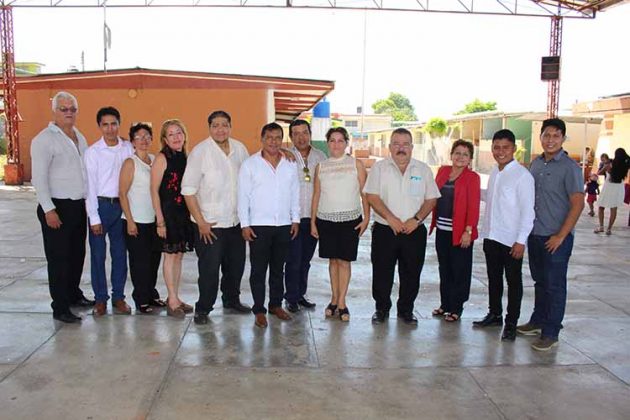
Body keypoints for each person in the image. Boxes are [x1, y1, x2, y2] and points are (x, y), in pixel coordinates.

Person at [517, 118, 584, 352]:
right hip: (535, 234)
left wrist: (561, 236)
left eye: (556, 136)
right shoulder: (536, 164)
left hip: (557, 237)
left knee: (555, 285)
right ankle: (538, 320)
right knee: (540, 281)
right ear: (541, 137)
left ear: (563, 138)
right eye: (546, 135)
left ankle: (551, 331)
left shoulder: (570, 168)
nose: (550, 140)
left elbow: (577, 204)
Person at [182, 111, 252, 325]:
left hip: (235, 222)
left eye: (224, 125)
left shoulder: (240, 149)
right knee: (209, 270)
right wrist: (201, 222)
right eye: (215, 125)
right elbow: (188, 190)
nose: (220, 129)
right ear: (209, 128)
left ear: (230, 126)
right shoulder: (200, 152)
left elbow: (250, 180)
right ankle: (203, 308)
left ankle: (231, 300)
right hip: (209, 224)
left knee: (236, 266)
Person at [364, 128, 439, 325]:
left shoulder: (423, 169)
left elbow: (431, 199)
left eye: (405, 144)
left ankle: (406, 310)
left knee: (411, 272)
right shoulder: (380, 168)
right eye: (396, 144)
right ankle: (381, 309)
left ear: (412, 147)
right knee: (382, 272)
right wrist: (391, 218)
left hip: (414, 231)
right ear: (389, 146)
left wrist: (416, 219)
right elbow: (372, 196)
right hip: (384, 230)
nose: (401, 148)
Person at [31, 91, 94, 323]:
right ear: (55, 111)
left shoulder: (79, 136)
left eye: (72, 109)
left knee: (77, 255)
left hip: (78, 206)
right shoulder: (44, 140)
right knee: (59, 259)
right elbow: (39, 178)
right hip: (57, 208)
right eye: (63, 109)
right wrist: (49, 209)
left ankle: (73, 295)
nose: (68, 113)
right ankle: (60, 307)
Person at [473, 129, 535, 341]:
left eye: (505, 148)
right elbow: (490, 199)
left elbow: (528, 211)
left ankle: (511, 323)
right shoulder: (494, 172)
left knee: (513, 282)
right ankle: (495, 314)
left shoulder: (523, 176)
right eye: (496, 147)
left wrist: (521, 240)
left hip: (511, 240)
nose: (500, 152)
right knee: (493, 279)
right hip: (491, 235)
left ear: (514, 149)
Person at [238, 122, 300, 328]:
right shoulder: (250, 165)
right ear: (262, 139)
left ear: (282, 140)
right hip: (258, 226)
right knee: (258, 270)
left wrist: (296, 219)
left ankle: (275, 304)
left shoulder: (290, 164)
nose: (273, 142)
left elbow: (295, 194)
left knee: (278, 269)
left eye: (277, 138)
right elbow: (243, 197)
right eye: (269, 138)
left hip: (283, 225)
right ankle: (259, 309)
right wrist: (244, 225)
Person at [311, 127, 370, 322]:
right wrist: (313, 222)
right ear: (327, 143)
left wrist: (366, 218)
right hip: (326, 219)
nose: (336, 144)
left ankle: (342, 302)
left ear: (346, 143)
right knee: (333, 261)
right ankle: (334, 299)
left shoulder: (356, 164)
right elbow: (317, 195)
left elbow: (365, 194)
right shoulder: (321, 166)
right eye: (332, 141)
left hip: (350, 220)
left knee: (344, 261)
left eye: (340, 141)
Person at [84, 107, 134, 316]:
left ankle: (119, 297)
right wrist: (93, 217)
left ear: (119, 124)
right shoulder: (93, 152)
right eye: (105, 124)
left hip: (121, 207)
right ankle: (100, 299)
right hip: (101, 207)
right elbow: (90, 187)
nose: (110, 128)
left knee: (120, 254)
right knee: (98, 255)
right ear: (99, 126)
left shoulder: (128, 148)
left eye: (113, 123)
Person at [429, 139, 480, 322]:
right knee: (445, 268)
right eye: (457, 153)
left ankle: (457, 307)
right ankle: (445, 304)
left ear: (470, 159)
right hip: (442, 229)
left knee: (460, 270)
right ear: (451, 155)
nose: (460, 157)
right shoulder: (443, 172)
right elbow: (433, 196)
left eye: (465, 154)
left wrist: (468, 230)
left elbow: (473, 207)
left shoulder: (472, 178)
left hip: (461, 233)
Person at [119, 123, 165, 314]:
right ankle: (141, 299)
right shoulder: (130, 163)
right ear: (132, 142)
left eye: (147, 136)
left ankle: (151, 294)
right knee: (140, 263)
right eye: (139, 137)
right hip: (136, 221)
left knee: (154, 260)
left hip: (153, 221)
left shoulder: (155, 160)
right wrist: (129, 220)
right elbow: (122, 193)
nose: (144, 140)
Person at [150, 119, 195, 318]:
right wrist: (160, 220)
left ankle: (174, 297)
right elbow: (153, 190)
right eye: (171, 134)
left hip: (183, 213)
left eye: (179, 132)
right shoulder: (162, 158)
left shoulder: (185, 156)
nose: (176, 137)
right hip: (168, 213)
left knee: (178, 256)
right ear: (164, 139)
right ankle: (172, 299)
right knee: (170, 256)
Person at [284, 119, 327, 313]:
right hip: (292, 218)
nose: (301, 137)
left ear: (310, 134)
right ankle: (291, 297)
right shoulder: (285, 157)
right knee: (293, 259)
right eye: (296, 133)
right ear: (291, 137)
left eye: (304, 133)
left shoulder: (321, 156)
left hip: (314, 218)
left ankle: (301, 294)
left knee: (305, 260)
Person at [594, 148, 630, 235]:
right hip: (618, 188)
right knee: (613, 208)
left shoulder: (609, 165)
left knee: (601, 207)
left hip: (608, 187)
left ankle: (601, 227)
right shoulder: (625, 165)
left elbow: (599, 173)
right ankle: (609, 229)